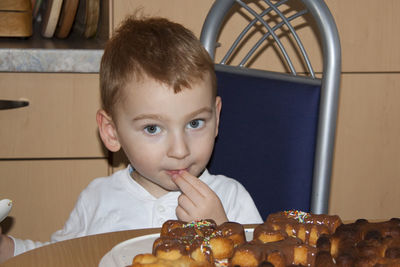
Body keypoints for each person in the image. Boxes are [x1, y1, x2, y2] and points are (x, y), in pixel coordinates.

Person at [0, 15, 262, 263]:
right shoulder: (98, 198)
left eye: (195, 123)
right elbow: (61, 257)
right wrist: (6, 249)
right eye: (152, 129)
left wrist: (222, 234)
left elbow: (264, 259)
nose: (180, 150)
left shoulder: (229, 199)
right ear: (112, 132)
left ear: (216, 118)